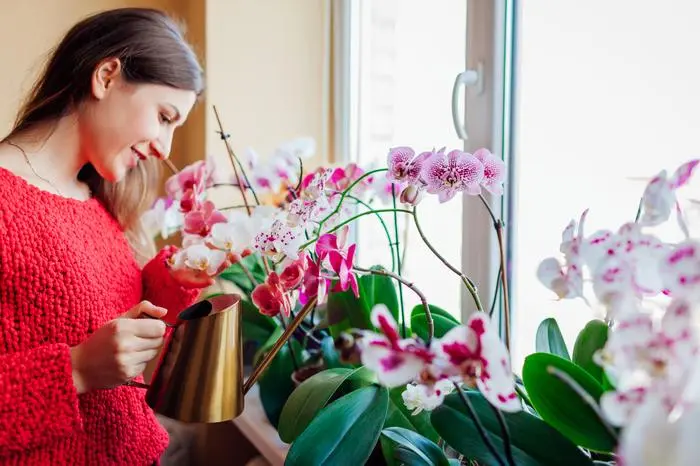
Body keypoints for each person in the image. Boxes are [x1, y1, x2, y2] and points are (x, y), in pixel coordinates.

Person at [0, 8, 214, 465]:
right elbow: (87, 351)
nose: (165, 147)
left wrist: (173, 279)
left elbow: (102, 317)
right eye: (163, 116)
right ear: (106, 76)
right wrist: (75, 369)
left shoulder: (96, 201)